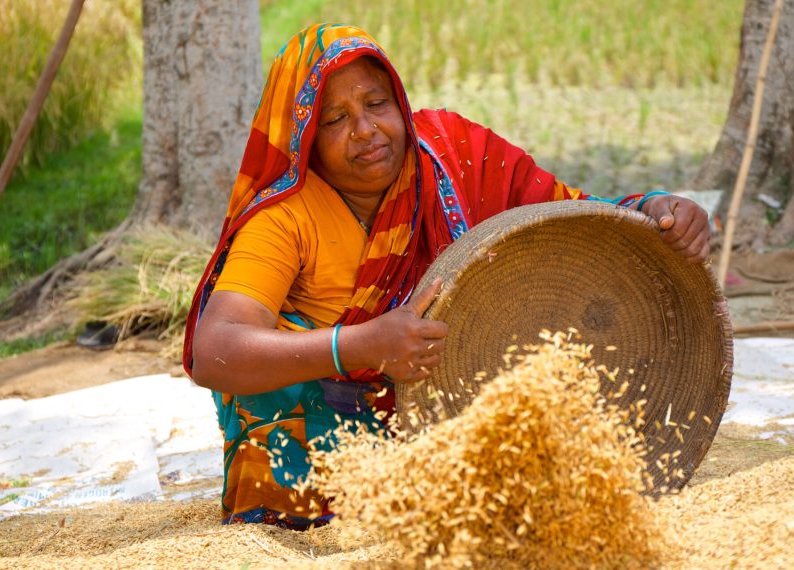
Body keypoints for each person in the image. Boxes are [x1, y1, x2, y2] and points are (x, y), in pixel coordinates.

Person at [183, 23, 711, 530]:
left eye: (375, 104)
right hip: (328, 443)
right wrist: (362, 346)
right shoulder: (286, 218)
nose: (365, 131)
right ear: (304, 139)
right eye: (335, 120)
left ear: (399, 103)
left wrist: (653, 210)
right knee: (273, 375)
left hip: (447, 409)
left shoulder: (452, 155)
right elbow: (217, 350)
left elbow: (563, 215)